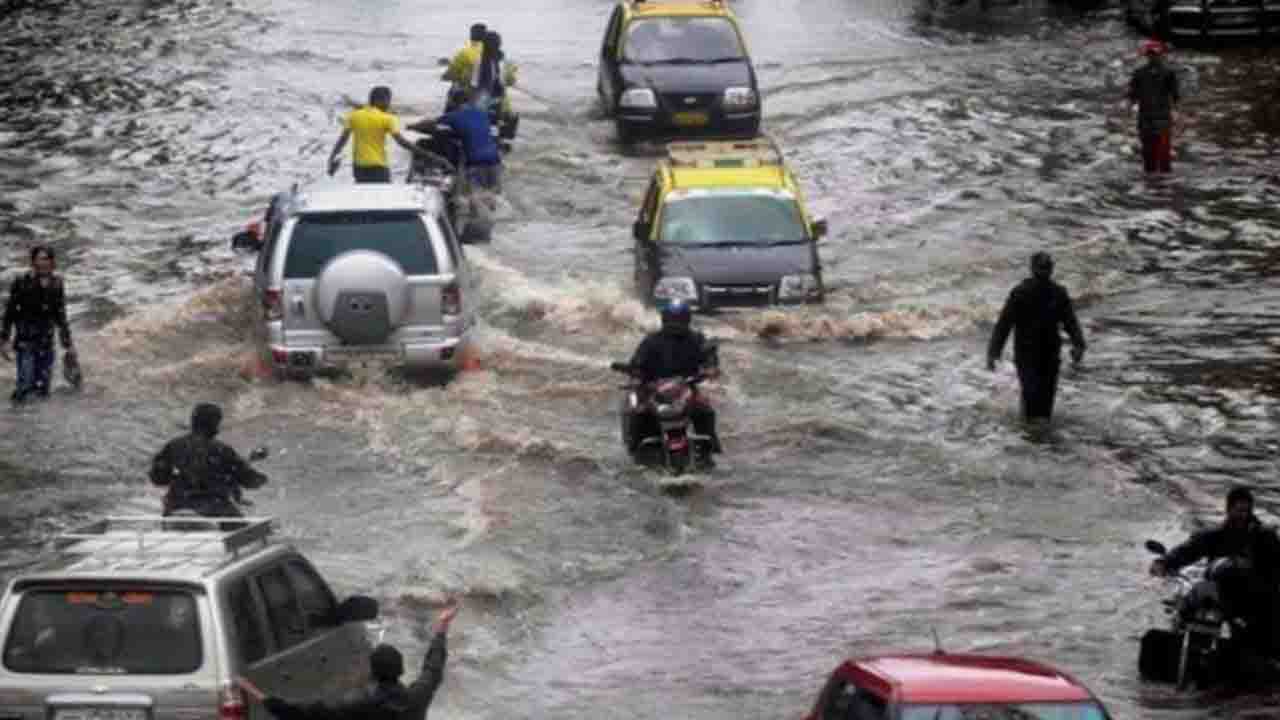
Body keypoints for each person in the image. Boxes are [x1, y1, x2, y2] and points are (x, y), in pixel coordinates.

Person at [237, 601, 460, 720]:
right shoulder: (418, 696)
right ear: (401, 669)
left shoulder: (362, 707)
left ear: (372, 673)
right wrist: (442, 627)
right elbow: (433, 666)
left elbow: (302, 713)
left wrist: (255, 692)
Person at [1149, 486, 1280, 656]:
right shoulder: (1215, 534)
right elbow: (1188, 549)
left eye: (1246, 511)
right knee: (1190, 603)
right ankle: (1182, 638)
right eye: (1238, 510)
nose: (1242, 515)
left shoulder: (1264, 536)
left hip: (1254, 595)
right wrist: (1164, 562)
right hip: (1222, 593)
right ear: (1228, 509)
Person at [987, 252, 1086, 423]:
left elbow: (1070, 322)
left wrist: (1079, 344)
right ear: (1033, 269)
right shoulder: (1020, 293)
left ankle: (1037, 439)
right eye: (1041, 268)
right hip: (1027, 355)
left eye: (1047, 268)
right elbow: (1004, 324)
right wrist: (993, 352)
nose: (1044, 271)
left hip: (1049, 355)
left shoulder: (1058, 293)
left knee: (1045, 402)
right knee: (1031, 396)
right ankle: (1030, 435)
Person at [627, 300, 722, 453]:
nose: (676, 324)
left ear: (687, 320)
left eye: (680, 320)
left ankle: (710, 447)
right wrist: (636, 376)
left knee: (705, 410)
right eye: (673, 320)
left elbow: (709, 356)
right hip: (655, 389)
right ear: (665, 320)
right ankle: (635, 448)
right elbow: (637, 362)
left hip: (686, 387)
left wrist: (711, 368)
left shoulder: (697, 339)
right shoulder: (651, 341)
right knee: (640, 412)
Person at [150, 403, 268, 518]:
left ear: (193, 422)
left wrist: (176, 478)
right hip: (214, 509)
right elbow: (246, 478)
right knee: (247, 533)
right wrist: (261, 479)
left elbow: (158, 478)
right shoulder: (222, 450)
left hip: (176, 507)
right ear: (214, 424)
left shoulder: (173, 446)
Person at [2, 245, 74, 405]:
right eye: (40, 259)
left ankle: (36, 423)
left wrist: (68, 345)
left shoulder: (57, 284)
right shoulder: (21, 282)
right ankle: (17, 415)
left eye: (47, 259)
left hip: (46, 341)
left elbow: (61, 316)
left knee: (42, 389)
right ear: (33, 262)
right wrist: (4, 339)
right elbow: (10, 313)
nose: (44, 263)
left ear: (52, 262)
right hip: (25, 340)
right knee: (25, 384)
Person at [328, 86, 426, 183]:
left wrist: (332, 159)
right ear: (378, 100)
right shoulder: (387, 118)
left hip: (359, 169)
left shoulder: (354, 115)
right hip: (378, 167)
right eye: (388, 99)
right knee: (382, 195)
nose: (389, 103)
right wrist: (428, 155)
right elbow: (402, 142)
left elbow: (342, 141)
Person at [414, 89, 503, 191]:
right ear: (469, 101)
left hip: (474, 162)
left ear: (453, 102)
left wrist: (411, 126)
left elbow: (429, 124)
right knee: (492, 196)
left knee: (470, 197)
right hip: (495, 160)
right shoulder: (482, 114)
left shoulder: (453, 116)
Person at [1127, 39, 1180, 175]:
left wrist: (1176, 115)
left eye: (1155, 54)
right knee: (1148, 155)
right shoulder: (1138, 74)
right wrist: (1129, 111)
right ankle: (1151, 181)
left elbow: (1175, 97)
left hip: (1162, 119)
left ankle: (1163, 184)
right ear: (1146, 55)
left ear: (1161, 54)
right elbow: (1132, 96)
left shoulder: (1169, 73)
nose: (1153, 56)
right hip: (1146, 118)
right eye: (1150, 54)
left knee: (1163, 157)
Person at [442, 23, 487, 112]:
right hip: (486, 92)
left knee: (454, 91)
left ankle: (448, 117)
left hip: (468, 92)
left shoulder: (465, 52)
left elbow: (451, 74)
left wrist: (445, 76)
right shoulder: (494, 53)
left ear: (471, 35)